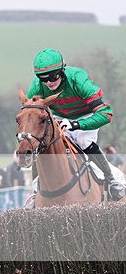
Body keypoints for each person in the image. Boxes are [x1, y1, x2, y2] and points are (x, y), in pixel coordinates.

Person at [27, 48, 126, 201]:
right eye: (43, 78)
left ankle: (111, 180)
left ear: (62, 70)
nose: (48, 82)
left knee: (83, 141)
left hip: (86, 115)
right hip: (58, 117)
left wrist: (76, 124)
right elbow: (29, 114)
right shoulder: (37, 86)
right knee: (42, 143)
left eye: (53, 76)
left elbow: (106, 114)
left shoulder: (78, 79)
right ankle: (35, 193)